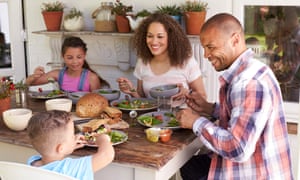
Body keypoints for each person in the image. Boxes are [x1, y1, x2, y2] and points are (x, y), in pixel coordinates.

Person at [177, 13, 293, 179]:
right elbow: (242, 115)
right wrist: (209, 108)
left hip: (258, 172)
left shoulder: (248, 83)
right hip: (257, 166)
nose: (206, 55)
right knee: (191, 168)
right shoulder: (254, 69)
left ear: (235, 40)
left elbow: (238, 148)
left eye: (211, 47)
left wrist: (195, 121)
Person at [117, 13, 206, 99]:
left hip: (181, 113)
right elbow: (142, 100)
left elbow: (202, 97)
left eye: (160, 36)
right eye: (150, 36)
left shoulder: (187, 61)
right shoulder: (143, 62)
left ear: (171, 38)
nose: (154, 41)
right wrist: (132, 91)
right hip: (150, 114)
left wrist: (187, 94)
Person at [27, 110, 115, 180]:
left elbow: (54, 154)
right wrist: (103, 139)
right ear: (61, 148)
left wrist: (68, 146)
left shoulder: (32, 162)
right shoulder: (71, 168)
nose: (75, 136)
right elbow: (107, 155)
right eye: (72, 134)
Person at [26, 36, 109, 92]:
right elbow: (28, 83)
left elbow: (98, 102)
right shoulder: (57, 74)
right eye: (70, 58)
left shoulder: (92, 78)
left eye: (79, 57)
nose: (75, 62)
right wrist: (34, 76)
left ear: (84, 56)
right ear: (63, 56)